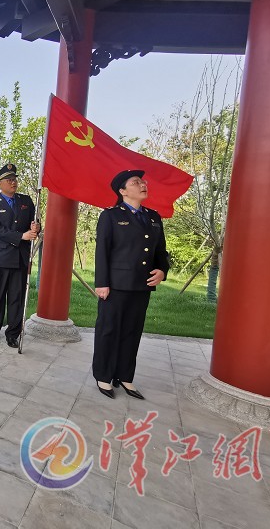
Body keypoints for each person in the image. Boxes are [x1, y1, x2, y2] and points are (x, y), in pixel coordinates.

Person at [93, 170, 169, 400]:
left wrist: (163, 270)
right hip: (115, 285)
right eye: (136, 182)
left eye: (143, 181)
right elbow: (102, 251)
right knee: (109, 330)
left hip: (142, 284)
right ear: (123, 191)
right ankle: (104, 376)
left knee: (132, 331)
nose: (143, 184)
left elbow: (160, 251)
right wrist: (102, 283)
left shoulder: (153, 217)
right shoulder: (111, 216)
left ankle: (125, 375)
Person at [0, 163, 39, 348]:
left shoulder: (26, 201)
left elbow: (35, 222)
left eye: (14, 179)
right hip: (2, 257)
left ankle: (13, 333)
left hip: (21, 257)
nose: (13, 182)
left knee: (17, 297)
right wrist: (21, 236)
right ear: (0, 184)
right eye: (9, 180)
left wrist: (36, 227)